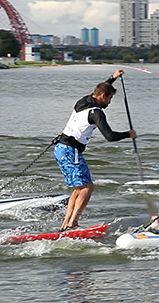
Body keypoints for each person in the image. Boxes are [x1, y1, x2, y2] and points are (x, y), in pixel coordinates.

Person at [53, 69, 136, 231]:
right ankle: (73, 223)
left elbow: (100, 89)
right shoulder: (96, 113)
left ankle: (66, 224)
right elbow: (110, 136)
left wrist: (112, 78)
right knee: (87, 187)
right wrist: (129, 134)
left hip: (60, 149)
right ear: (103, 96)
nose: (110, 103)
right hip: (71, 150)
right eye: (110, 98)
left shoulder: (83, 101)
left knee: (79, 188)